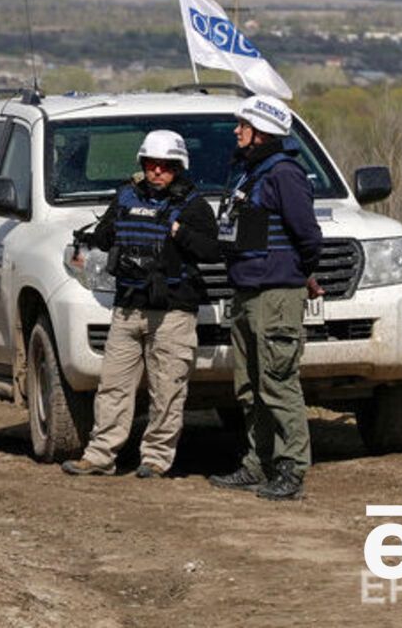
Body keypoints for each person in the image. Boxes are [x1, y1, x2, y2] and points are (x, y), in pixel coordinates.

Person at [62, 130, 220, 479]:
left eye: (165, 166)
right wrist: (100, 234)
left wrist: (179, 232)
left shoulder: (194, 206)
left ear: (178, 167)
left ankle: (156, 459)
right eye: (151, 164)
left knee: (167, 390)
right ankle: (99, 456)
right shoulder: (125, 196)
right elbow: (104, 237)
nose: (157, 171)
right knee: (112, 387)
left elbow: (212, 251)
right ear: (143, 164)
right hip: (128, 308)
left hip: (173, 312)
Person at [208, 95, 324, 501]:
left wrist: (297, 273)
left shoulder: (284, 174)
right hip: (246, 291)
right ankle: (259, 463)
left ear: (262, 132)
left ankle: (291, 469)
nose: (236, 131)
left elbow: (308, 237)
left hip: (275, 295)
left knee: (277, 381)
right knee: (248, 385)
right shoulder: (249, 173)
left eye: (243, 125)